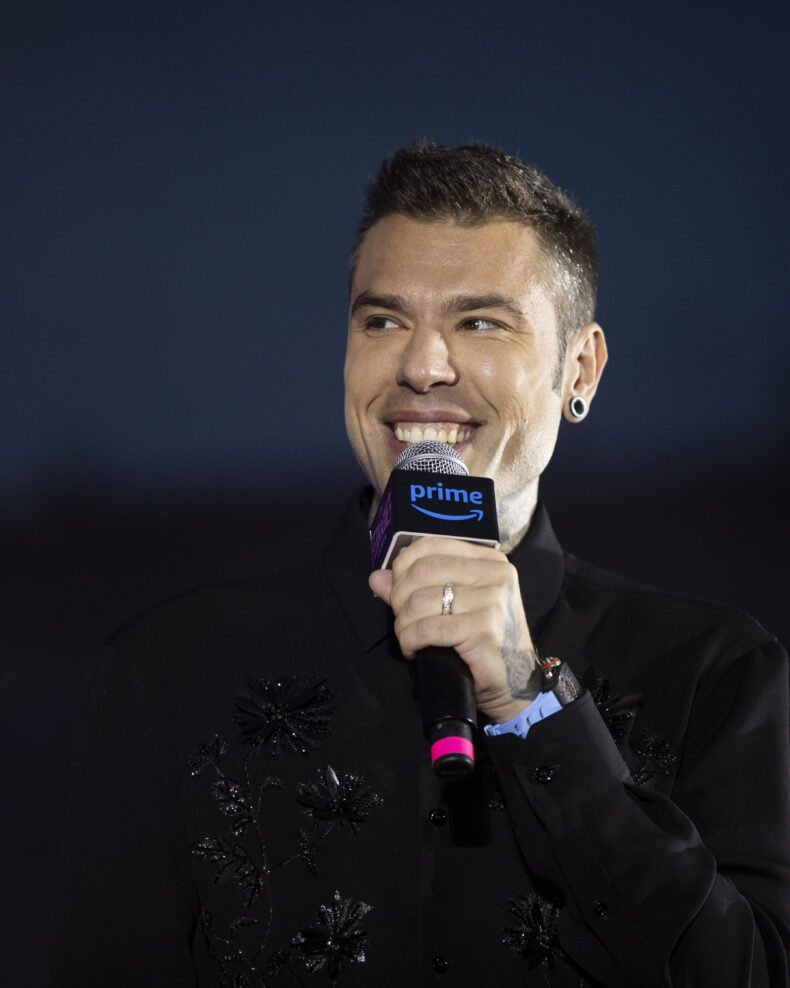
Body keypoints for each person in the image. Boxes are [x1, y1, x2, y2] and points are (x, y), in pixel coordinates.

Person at [53, 142, 790, 987]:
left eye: (480, 322)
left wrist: (533, 703)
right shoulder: (171, 672)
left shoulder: (713, 672)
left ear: (579, 369)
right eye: (383, 321)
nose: (421, 366)